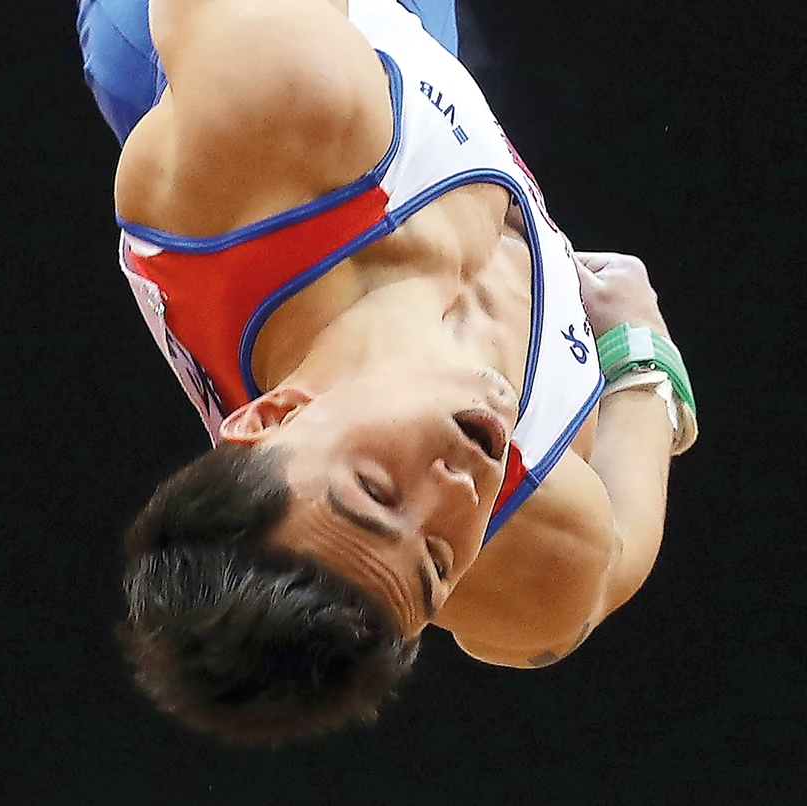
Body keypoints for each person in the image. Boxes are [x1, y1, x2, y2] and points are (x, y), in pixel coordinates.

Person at [77, 0, 698, 744]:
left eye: (374, 490)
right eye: (436, 563)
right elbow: (608, 567)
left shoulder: (276, 107)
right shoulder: (524, 542)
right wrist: (640, 352)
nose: (456, 493)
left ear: (273, 416)